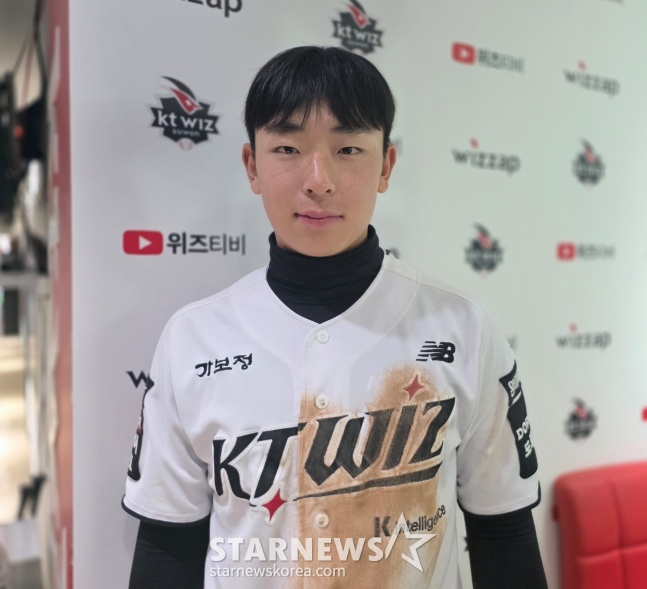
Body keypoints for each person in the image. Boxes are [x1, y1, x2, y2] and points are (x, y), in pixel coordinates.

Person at [123, 45, 548, 589]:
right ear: (252, 166)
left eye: (348, 149)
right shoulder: (194, 338)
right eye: (287, 148)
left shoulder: (463, 328)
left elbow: (503, 533)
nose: (318, 179)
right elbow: (167, 546)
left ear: (386, 165)